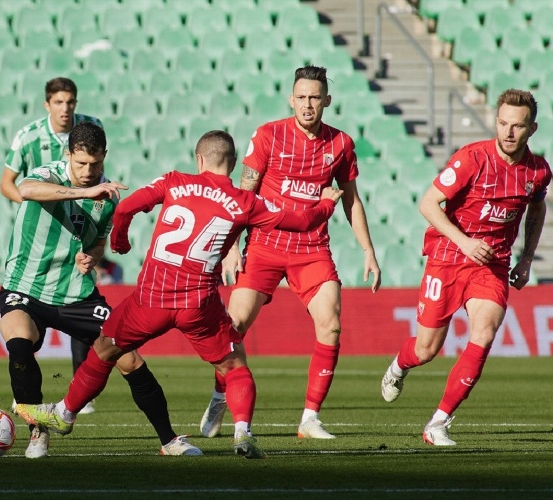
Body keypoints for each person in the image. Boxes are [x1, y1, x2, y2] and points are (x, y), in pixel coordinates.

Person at [31, 130, 343, 458]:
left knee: (104, 350)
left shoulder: (173, 182)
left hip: (152, 297)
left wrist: (120, 241)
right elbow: (303, 221)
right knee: (234, 367)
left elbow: (124, 210)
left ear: (199, 159)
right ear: (234, 164)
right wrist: (325, 203)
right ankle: (242, 432)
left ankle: (65, 413)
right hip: (199, 303)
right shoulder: (246, 202)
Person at [199, 65, 382, 440]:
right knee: (231, 330)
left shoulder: (340, 144)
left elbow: (351, 200)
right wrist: (233, 247)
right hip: (265, 245)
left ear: (327, 100)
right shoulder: (269, 135)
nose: (308, 104)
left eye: (315, 97)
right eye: (301, 97)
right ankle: (222, 394)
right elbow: (244, 195)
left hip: (311, 249)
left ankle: (310, 418)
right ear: (291, 99)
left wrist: (368, 250)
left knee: (330, 325)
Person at [0, 121, 200, 459]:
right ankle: (38, 430)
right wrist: (82, 192)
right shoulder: (48, 173)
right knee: (19, 344)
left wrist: (90, 257)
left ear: (104, 156)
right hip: (25, 287)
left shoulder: (108, 197)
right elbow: (26, 189)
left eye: (95, 164)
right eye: (80, 164)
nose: (88, 171)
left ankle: (169, 439)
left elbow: (98, 243)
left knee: (130, 358)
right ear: (68, 155)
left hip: (76, 293)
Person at [380, 89, 551, 446]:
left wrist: (526, 257)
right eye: (503, 123)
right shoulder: (472, 158)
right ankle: (399, 366)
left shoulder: (537, 172)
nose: (508, 132)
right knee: (426, 349)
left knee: (484, 333)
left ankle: (438, 423)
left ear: (531, 129)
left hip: (492, 264)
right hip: (448, 256)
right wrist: (465, 242)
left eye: (517, 126)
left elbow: (537, 208)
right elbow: (428, 204)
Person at [1, 77, 103, 401]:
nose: (65, 108)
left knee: (77, 290)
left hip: (79, 222)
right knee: (33, 319)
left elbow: (95, 176)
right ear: (48, 104)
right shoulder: (28, 136)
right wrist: (38, 208)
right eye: (59, 102)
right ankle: (32, 383)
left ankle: (77, 384)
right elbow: (9, 183)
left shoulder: (91, 127)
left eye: (70, 102)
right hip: (39, 224)